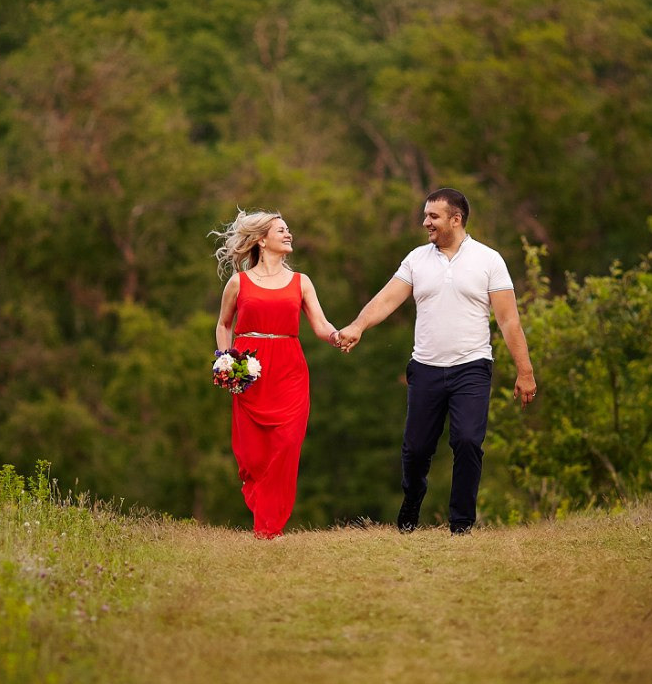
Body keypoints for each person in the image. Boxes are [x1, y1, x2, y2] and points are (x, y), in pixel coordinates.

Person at [337, 188, 537, 534]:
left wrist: (526, 371)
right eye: (426, 215)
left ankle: (461, 523)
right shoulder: (417, 259)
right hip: (426, 368)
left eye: (433, 216)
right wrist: (358, 326)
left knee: (468, 442)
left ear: (455, 219)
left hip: (472, 367)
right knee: (416, 450)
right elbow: (386, 300)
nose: (425, 222)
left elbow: (508, 320)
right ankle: (412, 505)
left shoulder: (489, 260)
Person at [213, 210, 339, 539]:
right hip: (250, 372)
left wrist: (340, 336)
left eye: (288, 230)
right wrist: (227, 360)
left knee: (287, 444)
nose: (289, 235)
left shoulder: (302, 283)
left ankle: (268, 529)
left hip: (289, 371)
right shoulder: (238, 282)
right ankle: (265, 514)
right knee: (254, 455)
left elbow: (321, 326)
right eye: (281, 230)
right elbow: (224, 324)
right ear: (260, 240)